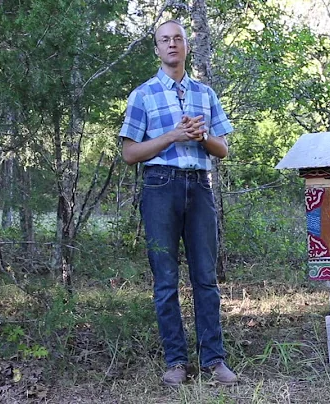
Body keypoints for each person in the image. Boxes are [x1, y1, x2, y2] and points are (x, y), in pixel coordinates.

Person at [118, 19, 237, 386]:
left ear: (186, 46)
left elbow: (223, 149)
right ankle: (175, 362)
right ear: (157, 49)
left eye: (178, 39)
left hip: (199, 187)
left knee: (205, 277)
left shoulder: (205, 94)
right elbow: (129, 153)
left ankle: (214, 360)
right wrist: (172, 135)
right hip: (159, 188)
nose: (172, 45)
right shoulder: (143, 94)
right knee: (166, 280)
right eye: (164, 40)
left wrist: (200, 137)